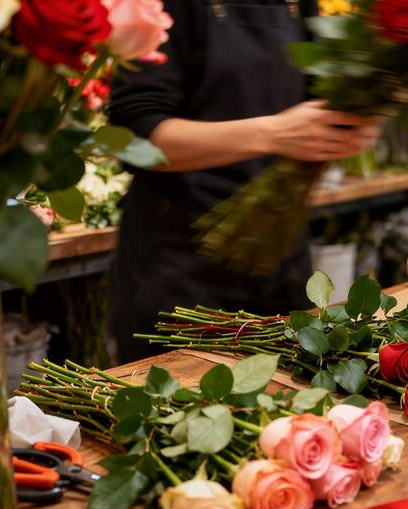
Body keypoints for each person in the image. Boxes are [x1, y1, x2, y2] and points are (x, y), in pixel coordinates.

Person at [108, 0, 378, 363]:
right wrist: (275, 133)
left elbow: (318, 101)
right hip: (181, 273)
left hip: (281, 264)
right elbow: (135, 137)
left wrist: (349, 124)